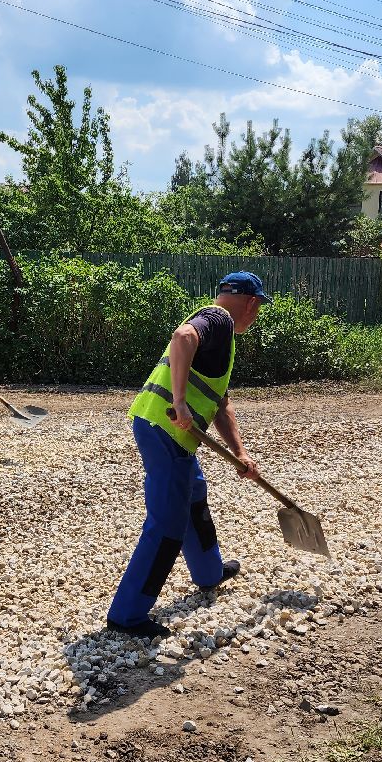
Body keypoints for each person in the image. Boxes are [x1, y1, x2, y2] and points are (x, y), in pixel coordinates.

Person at [106, 271, 271, 639]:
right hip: (165, 428)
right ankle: (127, 614)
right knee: (167, 522)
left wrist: (240, 454)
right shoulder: (218, 319)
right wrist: (179, 402)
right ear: (251, 302)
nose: (255, 315)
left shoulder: (220, 334)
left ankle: (209, 572)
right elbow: (183, 337)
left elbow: (220, 404)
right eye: (258, 308)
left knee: (194, 494)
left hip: (163, 429)